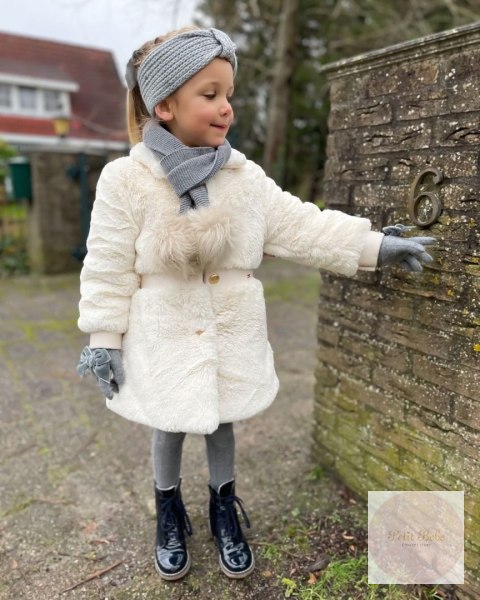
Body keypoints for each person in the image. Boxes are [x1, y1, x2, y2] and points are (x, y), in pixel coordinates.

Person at [76, 26, 435, 581]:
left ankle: (224, 510)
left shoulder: (244, 178)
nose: (227, 107)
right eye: (210, 94)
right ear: (165, 105)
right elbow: (106, 261)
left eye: (229, 94)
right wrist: (104, 339)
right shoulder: (126, 179)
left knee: (223, 420)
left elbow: (302, 225)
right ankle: (169, 512)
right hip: (162, 329)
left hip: (230, 327)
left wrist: (373, 246)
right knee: (167, 422)